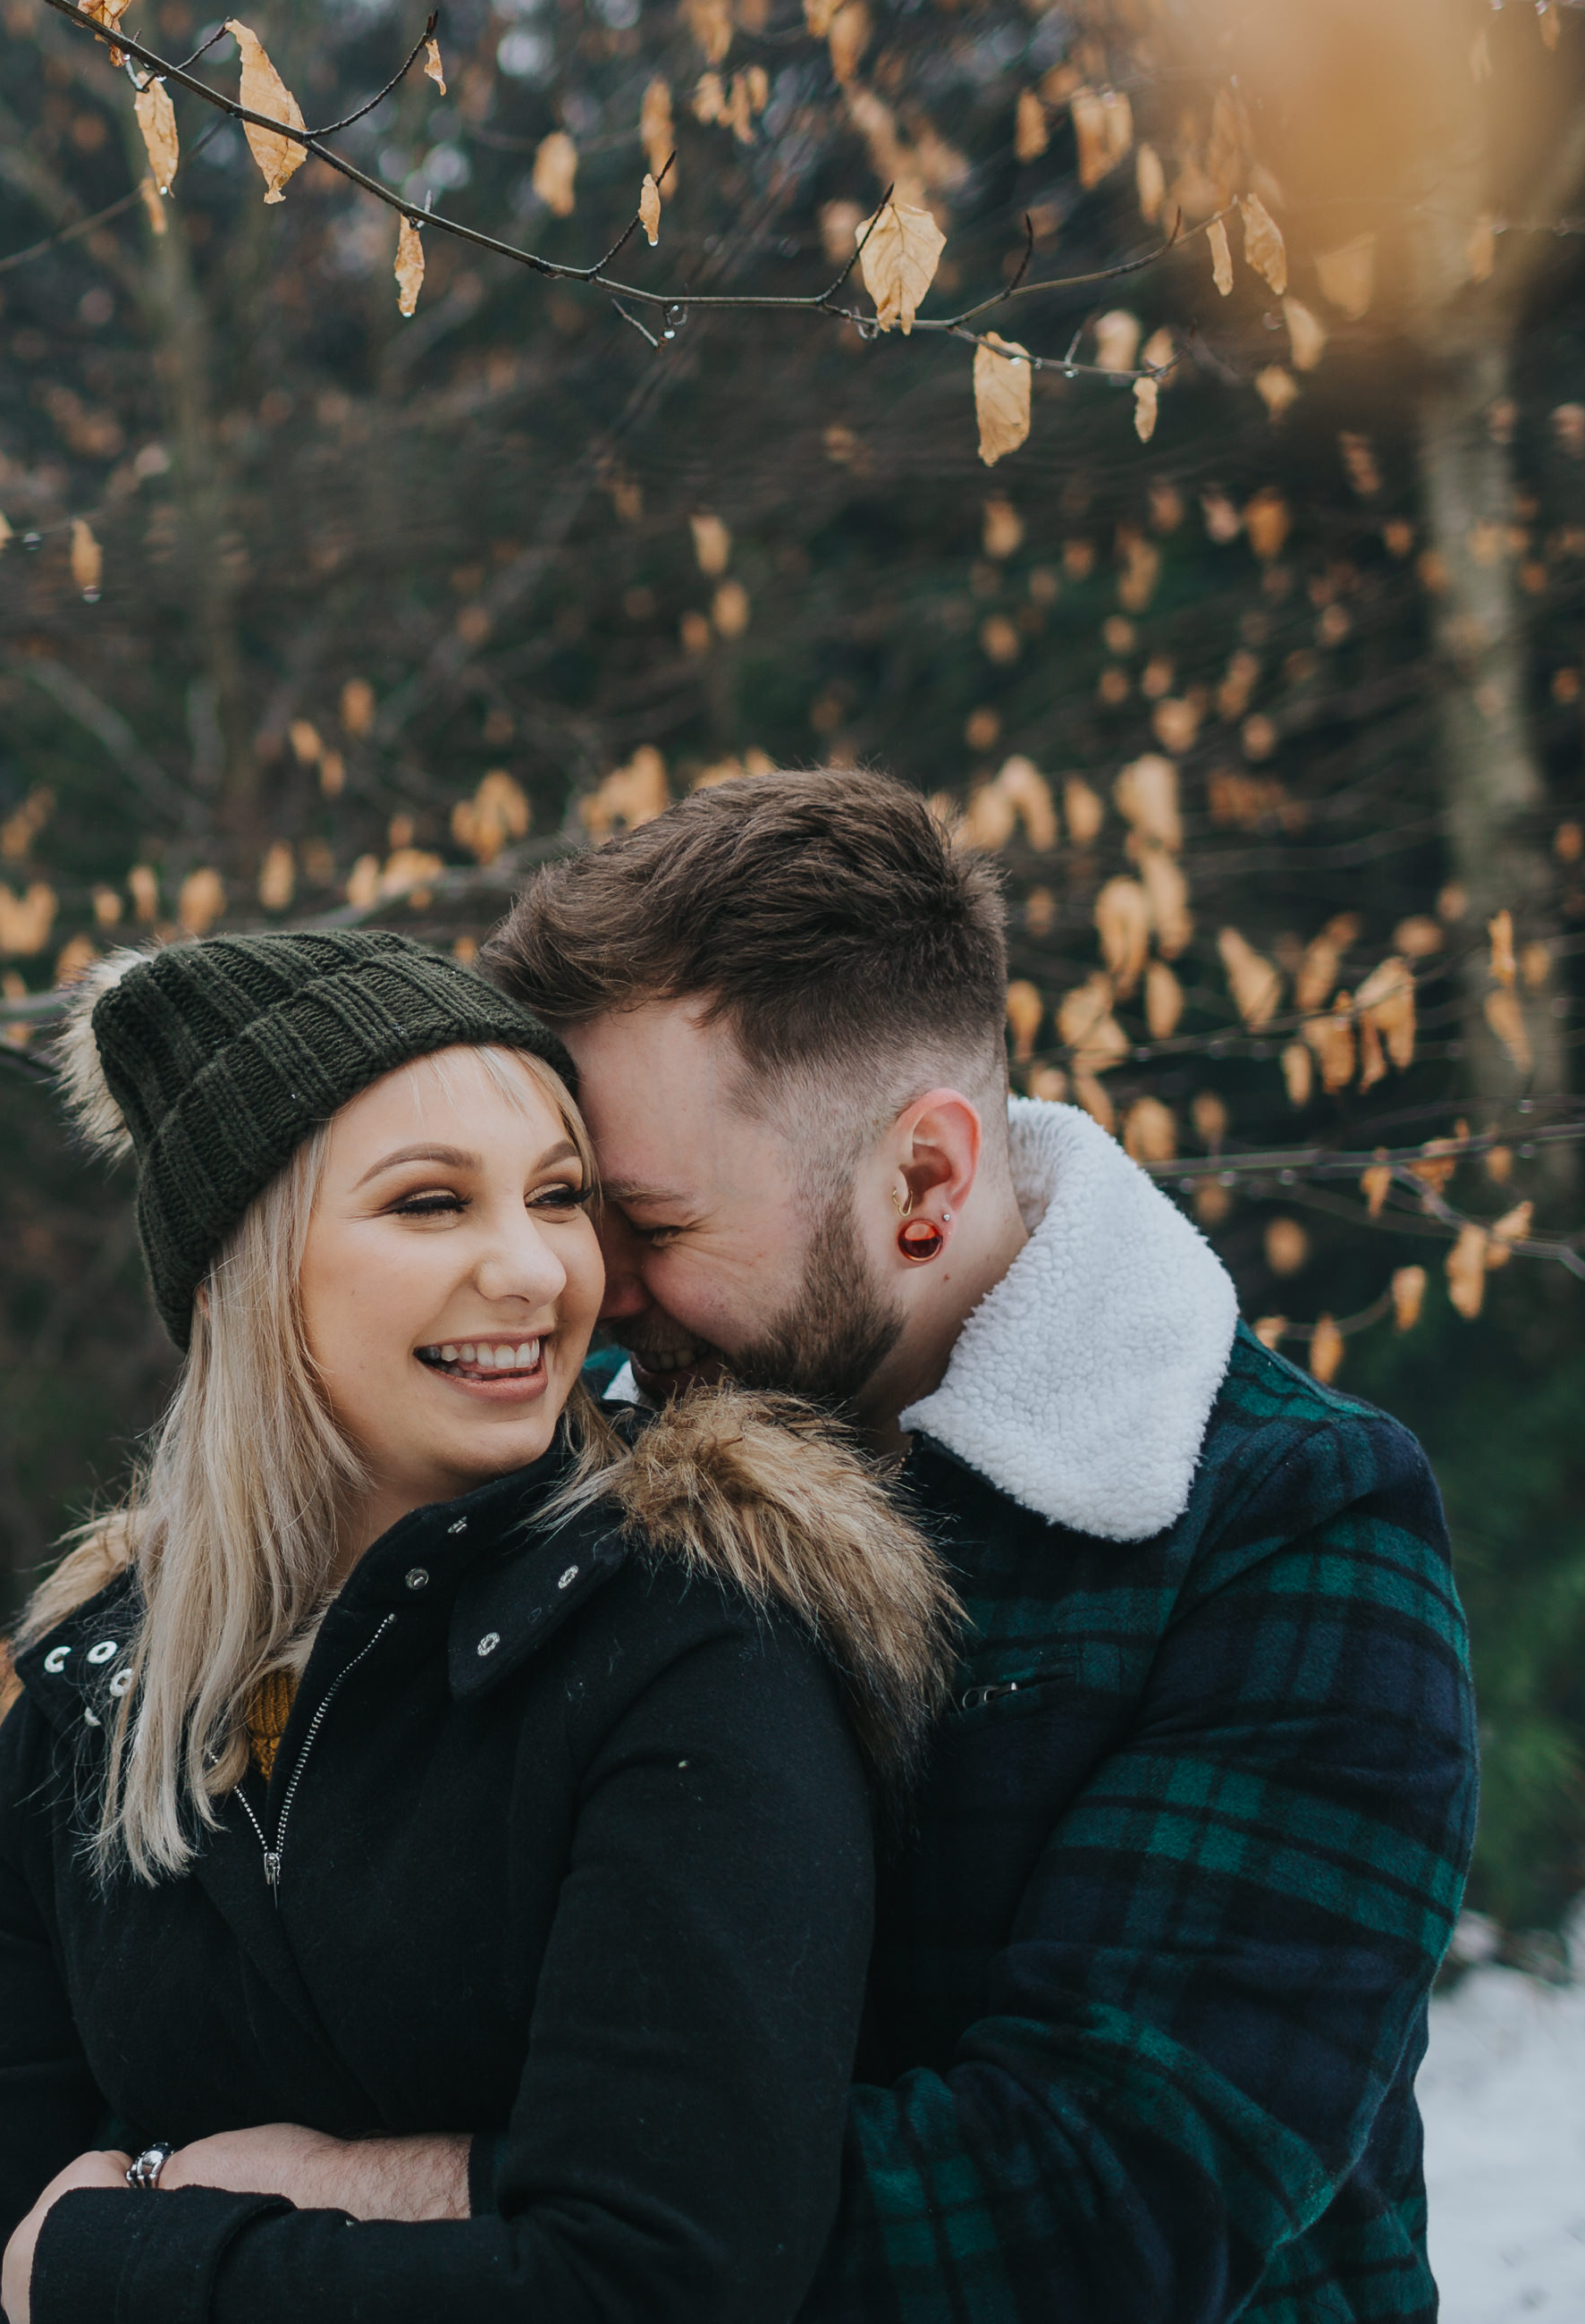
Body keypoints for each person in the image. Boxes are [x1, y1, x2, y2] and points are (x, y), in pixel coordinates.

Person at [231, 769, 1481, 2322]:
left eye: (650, 1225)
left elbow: (1083, 2211)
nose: (578, 1286)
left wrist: (373, 2199)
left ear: (925, 1180)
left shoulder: (1284, 1533)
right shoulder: (576, 1485)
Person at [0, 928, 962, 2324]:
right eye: (431, 1203)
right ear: (239, 1280)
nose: (536, 1273)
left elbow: (659, 2278)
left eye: (559, 1198)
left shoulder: (686, 1643)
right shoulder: (98, 1698)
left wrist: (112, 2260)